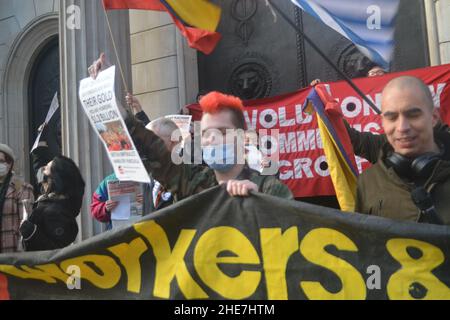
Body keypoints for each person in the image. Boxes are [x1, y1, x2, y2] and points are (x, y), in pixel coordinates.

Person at [124, 91, 293, 200]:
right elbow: (154, 149)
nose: (212, 139)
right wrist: (111, 100)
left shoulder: (270, 190)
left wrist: (259, 201)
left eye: (222, 131)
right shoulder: (194, 183)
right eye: (205, 133)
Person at [355, 76, 450, 225]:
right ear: (383, 122)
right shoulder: (367, 183)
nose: (402, 127)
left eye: (413, 115)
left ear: (434, 117)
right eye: (391, 118)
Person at [20, 137, 85, 251]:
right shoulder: (50, 196)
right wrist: (40, 143)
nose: (42, 170)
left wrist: (31, 232)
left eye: (46, 169)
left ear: (54, 179)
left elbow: (55, 251)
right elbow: (39, 169)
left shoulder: (57, 213)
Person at [0, 144, 34, 253]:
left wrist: (21, 252)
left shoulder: (21, 188)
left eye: (1, 161)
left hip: (11, 251)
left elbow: (25, 223)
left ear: (9, 164)